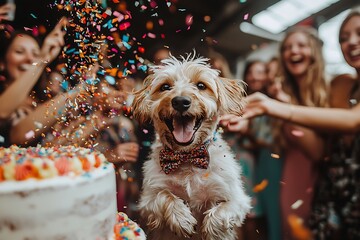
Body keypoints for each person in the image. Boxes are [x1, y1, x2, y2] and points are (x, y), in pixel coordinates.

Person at [240, 7, 360, 239]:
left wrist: (275, 106)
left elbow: (352, 122)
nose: (352, 42)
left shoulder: (334, 86)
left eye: (358, 33)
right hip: (333, 190)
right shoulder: (344, 87)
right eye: (344, 38)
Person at [222, 26, 328, 240]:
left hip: (317, 172)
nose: (293, 51)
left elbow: (318, 151)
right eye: (287, 47)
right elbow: (272, 131)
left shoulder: (329, 88)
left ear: (314, 51)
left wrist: (278, 105)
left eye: (300, 45)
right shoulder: (285, 92)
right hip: (289, 168)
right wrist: (245, 127)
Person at [0, 17, 67, 146]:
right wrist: (41, 60)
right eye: (20, 52)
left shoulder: (42, 103)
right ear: (2, 63)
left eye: (35, 54)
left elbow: (55, 148)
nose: (30, 58)